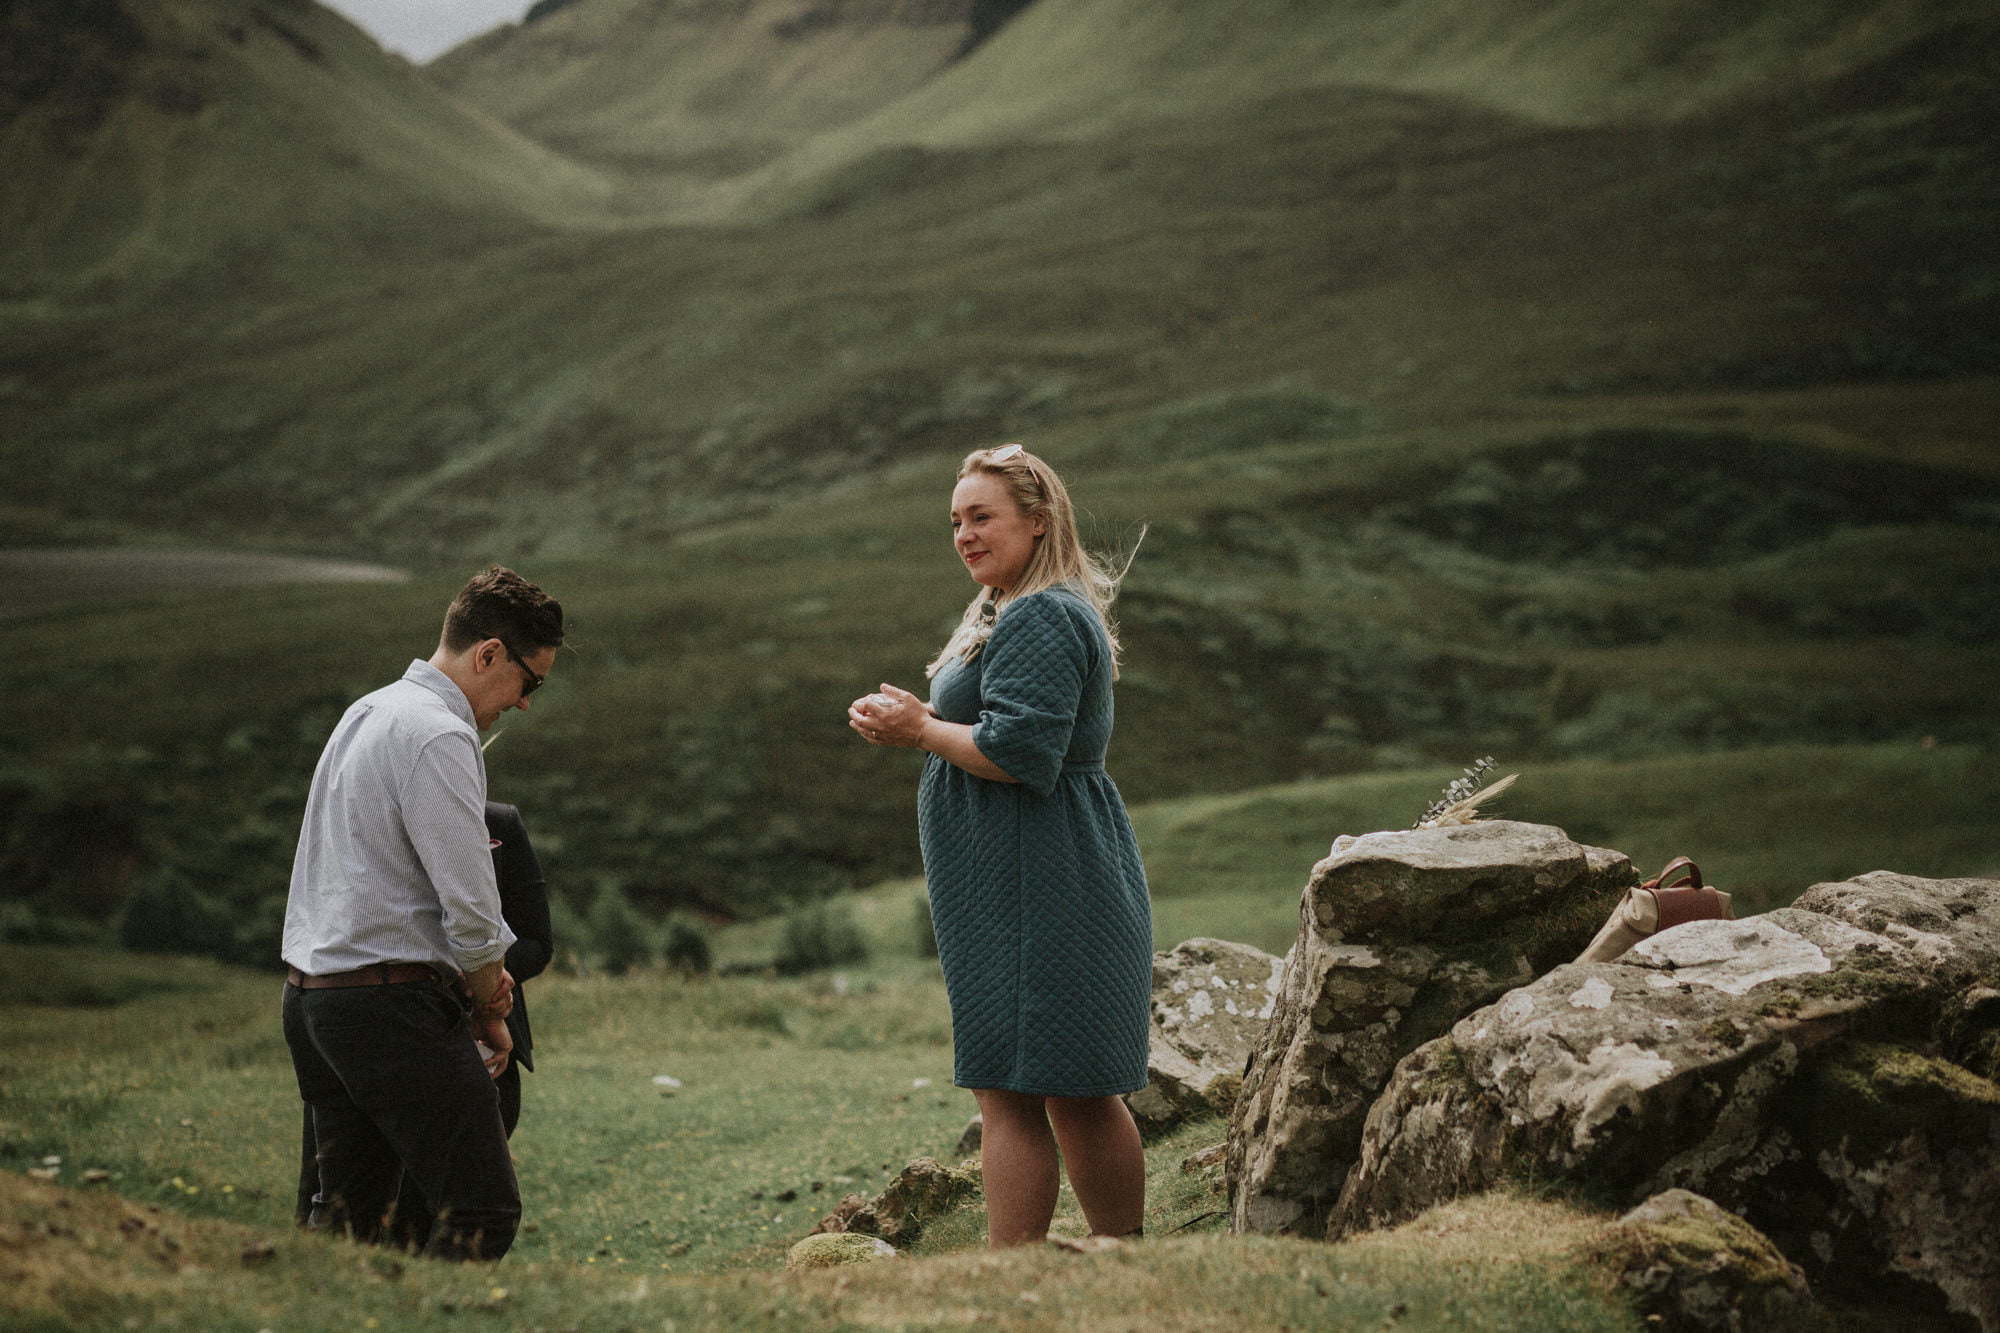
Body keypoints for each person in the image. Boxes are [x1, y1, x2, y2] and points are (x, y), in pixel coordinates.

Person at [849, 443, 1153, 1247]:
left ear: (1038, 520)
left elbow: (1021, 753)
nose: (964, 534)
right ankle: (1103, 1257)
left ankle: (1026, 1273)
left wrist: (920, 727)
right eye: (955, 520)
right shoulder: (1011, 606)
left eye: (982, 516)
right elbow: (999, 728)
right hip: (1018, 880)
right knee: (1042, 1084)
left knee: (1034, 1087)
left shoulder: (1043, 612)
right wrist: (924, 721)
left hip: (1040, 879)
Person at [281, 566, 563, 1261]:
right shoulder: (439, 731)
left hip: (316, 996)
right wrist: (490, 1005)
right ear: (489, 653)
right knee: (482, 1208)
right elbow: (469, 902)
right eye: (531, 681)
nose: (525, 702)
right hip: (390, 1003)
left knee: (354, 1224)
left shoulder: (368, 711)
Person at [293, 800, 554, 1247]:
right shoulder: (357, 821)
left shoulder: (498, 822)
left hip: (483, 1044)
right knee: (339, 1202)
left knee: (449, 1206)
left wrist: (478, 981)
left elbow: (535, 941)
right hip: (374, 1027)